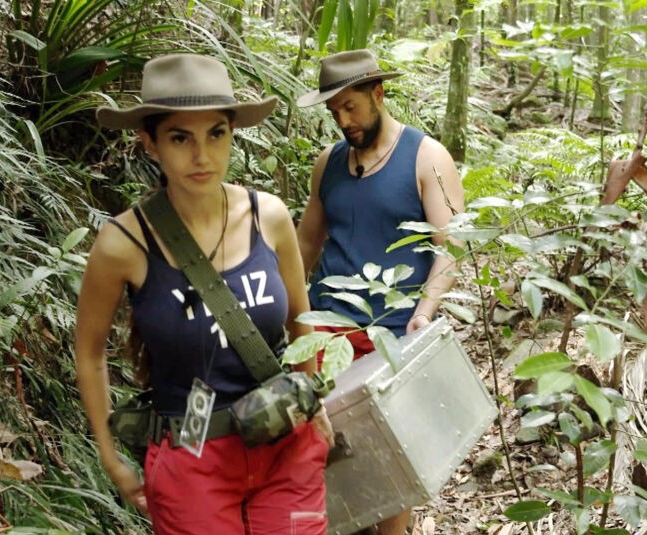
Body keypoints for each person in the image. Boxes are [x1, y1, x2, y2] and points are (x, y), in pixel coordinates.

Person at [75, 54, 333, 535]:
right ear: (149, 143)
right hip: (191, 460)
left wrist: (313, 400)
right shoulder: (123, 244)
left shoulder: (269, 216)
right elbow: (89, 355)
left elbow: (301, 317)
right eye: (180, 138)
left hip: (285, 444)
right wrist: (110, 457)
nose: (202, 155)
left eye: (217, 134)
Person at [296, 49, 465, 534]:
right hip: (326, 328)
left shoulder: (426, 157)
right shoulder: (328, 163)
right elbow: (305, 244)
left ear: (378, 93)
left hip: (392, 330)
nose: (343, 121)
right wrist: (287, 313)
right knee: (320, 450)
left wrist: (424, 311)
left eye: (350, 107)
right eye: (334, 112)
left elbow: (451, 247)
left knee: (392, 456)